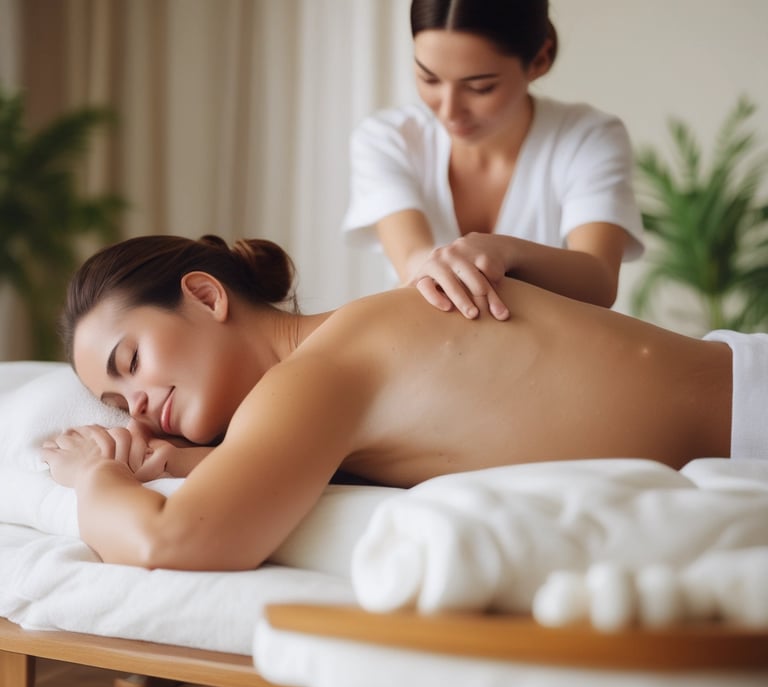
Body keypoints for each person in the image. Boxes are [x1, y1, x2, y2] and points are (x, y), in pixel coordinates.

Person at [42, 234, 753, 574]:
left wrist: (94, 475)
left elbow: (171, 542)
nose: (134, 407)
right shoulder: (350, 342)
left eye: (130, 362)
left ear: (205, 295)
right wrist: (192, 458)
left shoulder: (317, 377)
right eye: (114, 401)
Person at [344, 0, 644, 320]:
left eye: (480, 87)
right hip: (420, 351)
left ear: (539, 60)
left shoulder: (587, 137)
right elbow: (414, 264)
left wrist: (506, 251)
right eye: (429, 79)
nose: (449, 111)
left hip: (554, 359)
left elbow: (598, 279)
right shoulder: (388, 138)